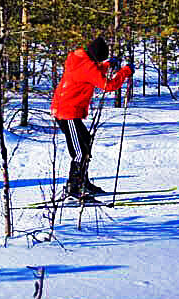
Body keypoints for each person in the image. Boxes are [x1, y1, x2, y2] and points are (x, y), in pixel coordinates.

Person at [51, 36, 134, 199]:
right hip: (67, 112)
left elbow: (91, 72)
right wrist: (125, 72)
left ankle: (82, 182)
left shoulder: (78, 59)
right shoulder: (87, 67)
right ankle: (73, 190)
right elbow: (108, 85)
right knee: (80, 152)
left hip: (68, 110)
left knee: (85, 142)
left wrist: (107, 65)